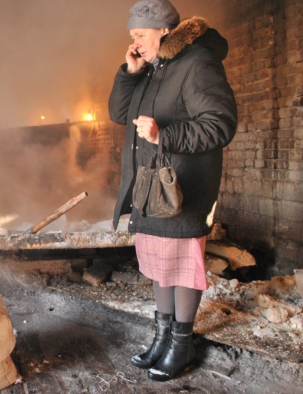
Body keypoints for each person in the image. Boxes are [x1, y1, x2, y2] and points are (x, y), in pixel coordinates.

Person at [108, 0, 237, 381]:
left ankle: (182, 345)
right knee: (159, 267)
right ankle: (162, 338)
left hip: (182, 188)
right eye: (132, 36)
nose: (135, 42)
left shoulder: (198, 63)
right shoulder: (151, 69)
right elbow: (120, 115)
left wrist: (165, 134)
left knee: (180, 268)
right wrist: (130, 72)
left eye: (140, 35)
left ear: (164, 31)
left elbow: (220, 124)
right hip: (152, 188)